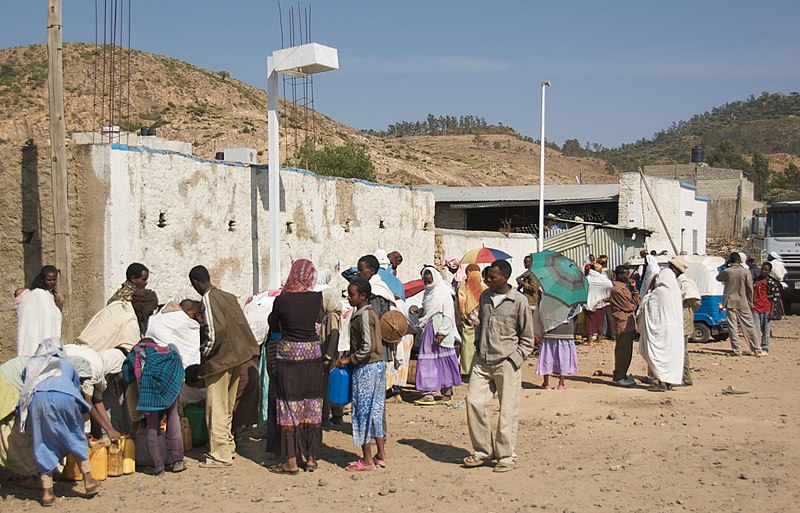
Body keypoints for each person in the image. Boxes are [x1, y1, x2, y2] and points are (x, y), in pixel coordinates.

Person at [464, 260, 534, 473]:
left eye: (492, 277)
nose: (487, 280)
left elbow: (528, 338)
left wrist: (514, 359)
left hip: (506, 362)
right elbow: (480, 324)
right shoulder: (485, 297)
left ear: (505, 277)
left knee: (507, 411)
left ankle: (506, 456)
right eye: (487, 277)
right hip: (482, 361)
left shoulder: (519, 301)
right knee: (473, 402)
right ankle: (483, 451)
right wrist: (478, 343)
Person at [189, 265, 259, 468]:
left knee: (216, 407)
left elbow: (215, 329)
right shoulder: (228, 296)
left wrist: (206, 352)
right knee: (227, 406)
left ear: (195, 282)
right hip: (237, 358)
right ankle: (228, 446)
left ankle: (220, 454)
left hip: (220, 362)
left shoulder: (209, 299)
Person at [19, 339, 100, 506]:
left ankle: (47, 492)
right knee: (74, 435)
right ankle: (89, 480)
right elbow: (75, 386)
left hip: (37, 400)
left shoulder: (31, 364)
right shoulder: (66, 364)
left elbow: (25, 385)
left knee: (42, 442)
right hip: (65, 397)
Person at [267, 259, 324, 474]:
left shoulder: (282, 300)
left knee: (289, 406)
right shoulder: (316, 298)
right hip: (312, 355)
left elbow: (273, 324)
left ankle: (290, 461)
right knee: (312, 404)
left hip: (289, 356)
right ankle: (310, 458)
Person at [335, 278, 387, 472]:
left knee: (362, 413)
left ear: (363, 296)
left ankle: (367, 460)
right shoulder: (366, 313)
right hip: (377, 366)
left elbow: (367, 347)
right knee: (375, 411)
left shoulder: (364, 315)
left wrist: (347, 360)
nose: (349, 298)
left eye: (352, 294)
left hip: (367, 369)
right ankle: (380, 454)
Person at [122, 338, 186, 475]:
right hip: (171, 384)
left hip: (150, 389)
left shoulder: (137, 352)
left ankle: (158, 466)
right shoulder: (167, 353)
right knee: (173, 417)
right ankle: (177, 461)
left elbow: (127, 374)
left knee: (152, 424)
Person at [413, 266, 462, 405]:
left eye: (430, 281)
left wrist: (442, 332)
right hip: (429, 330)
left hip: (441, 331)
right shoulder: (427, 294)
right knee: (428, 362)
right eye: (426, 281)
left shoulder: (444, 293)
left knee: (444, 360)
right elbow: (429, 311)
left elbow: (448, 314)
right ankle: (428, 393)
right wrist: (419, 311)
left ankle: (447, 393)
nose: (428, 283)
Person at [63, 344, 127, 440]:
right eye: (115, 374)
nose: (113, 378)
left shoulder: (100, 371)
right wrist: (108, 429)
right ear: (112, 368)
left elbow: (98, 401)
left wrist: (111, 429)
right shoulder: (94, 369)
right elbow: (88, 403)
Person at [638, 268, 685, 392]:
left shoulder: (658, 293)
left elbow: (647, 305)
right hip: (674, 332)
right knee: (670, 356)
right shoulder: (676, 292)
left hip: (661, 331)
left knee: (660, 355)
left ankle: (661, 382)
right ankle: (669, 381)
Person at [716, 253, 763, 357]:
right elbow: (750, 289)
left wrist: (726, 266)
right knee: (749, 326)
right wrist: (750, 302)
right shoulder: (745, 271)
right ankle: (756, 349)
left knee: (732, 326)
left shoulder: (727, 271)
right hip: (743, 301)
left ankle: (737, 350)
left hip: (730, 302)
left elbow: (718, 278)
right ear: (739, 260)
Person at [15, 265, 64, 357]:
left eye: (54, 280)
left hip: (45, 336)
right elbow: (18, 293)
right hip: (32, 333)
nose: (52, 282)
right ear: (42, 279)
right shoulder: (36, 293)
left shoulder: (51, 296)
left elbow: (54, 317)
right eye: (49, 280)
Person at [669, 257, 700, 386]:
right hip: (676, 317)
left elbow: (695, 301)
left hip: (683, 317)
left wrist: (686, 312)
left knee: (681, 349)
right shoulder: (674, 281)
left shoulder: (685, 283)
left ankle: (685, 377)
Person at [608, 265, 639, 387]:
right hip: (622, 323)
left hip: (629, 323)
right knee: (623, 352)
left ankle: (622, 374)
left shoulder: (625, 288)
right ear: (619, 275)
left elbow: (637, 302)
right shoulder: (616, 290)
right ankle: (619, 376)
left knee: (627, 351)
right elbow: (630, 306)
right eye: (625, 274)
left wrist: (635, 290)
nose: (628, 276)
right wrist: (634, 302)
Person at [535, 305, 579, 391]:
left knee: (547, 356)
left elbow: (540, 313)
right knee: (564, 357)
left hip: (549, 329)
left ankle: (546, 383)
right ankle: (561, 384)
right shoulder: (573, 297)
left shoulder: (545, 295)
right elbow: (575, 315)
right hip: (566, 330)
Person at [458, 263, 487, 376]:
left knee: (467, 346)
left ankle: (466, 370)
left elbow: (461, 304)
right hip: (482, 321)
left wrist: (464, 316)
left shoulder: (463, 287)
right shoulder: (484, 288)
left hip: (468, 321)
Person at [753, 261, 782, 354]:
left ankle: (765, 347)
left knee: (766, 329)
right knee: (756, 329)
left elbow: (774, 298)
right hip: (755, 308)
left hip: (766, 308)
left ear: (769, 271)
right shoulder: (756, 281)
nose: (763, 271)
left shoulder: (771, 283)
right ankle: (757, 347)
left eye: (765, 270)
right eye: (762, 269)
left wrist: (772, 311)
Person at [585, 263, 612, 346]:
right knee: (600, 321)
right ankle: (599, 340)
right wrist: (603, 295)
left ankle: (589, 341)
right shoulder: (603, 278)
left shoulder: (588, 278)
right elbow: (610, 285)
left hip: (590, 302)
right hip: (601, 302)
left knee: (589, 321)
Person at [767, 252, 787, 320]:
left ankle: (776, 315)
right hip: (780, 283)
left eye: (769, 256)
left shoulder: (771, 264)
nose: (768, 257)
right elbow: (784, 273)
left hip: (773, 283)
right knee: (778, 299)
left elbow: (777, 275)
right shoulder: (780, 263)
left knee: (773, 299)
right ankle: (778, 314)